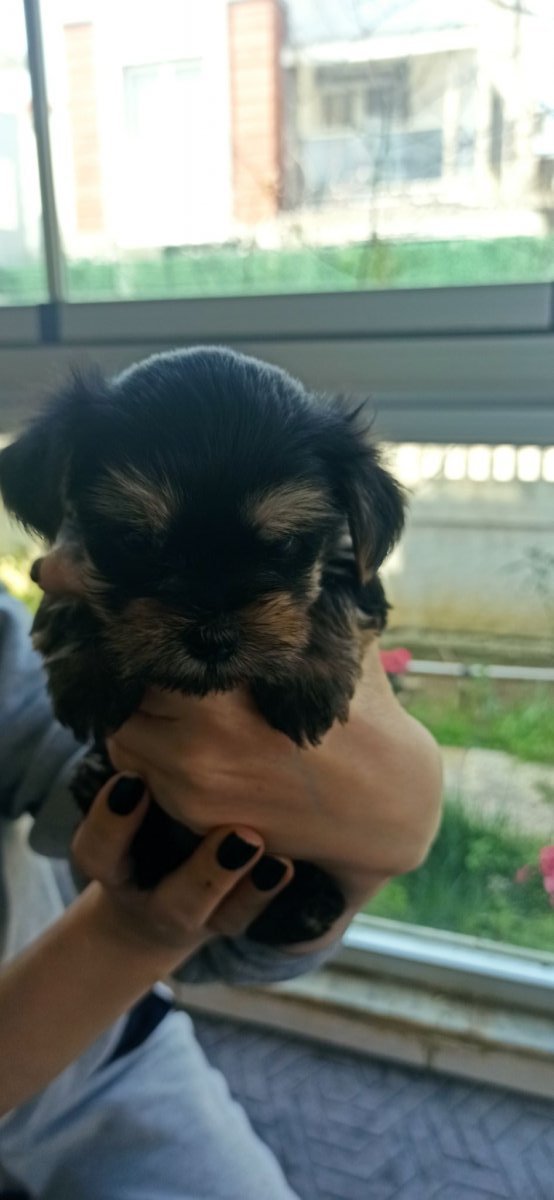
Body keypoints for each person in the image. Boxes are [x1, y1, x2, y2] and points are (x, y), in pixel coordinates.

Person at [0, 579, 442, 1200]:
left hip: (106, 1043)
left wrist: (342, 851)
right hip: (77, 990)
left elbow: (78, 765)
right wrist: (131, 936)